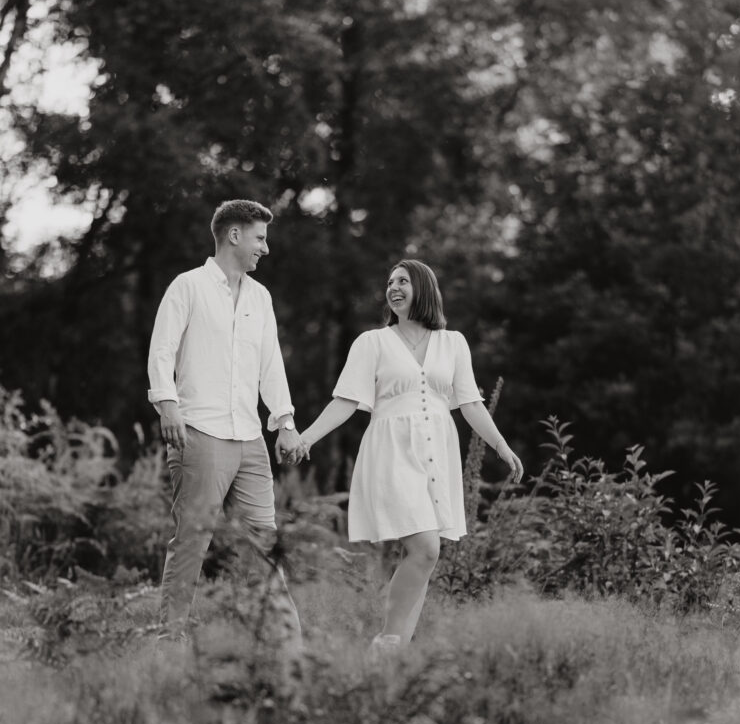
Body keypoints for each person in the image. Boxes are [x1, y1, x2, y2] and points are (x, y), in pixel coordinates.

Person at [296, 259, 524, 651]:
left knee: (425, 556)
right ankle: (385, 642)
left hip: (438, 451)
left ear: (423, 287)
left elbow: (470, 404)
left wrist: (501, 446)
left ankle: (394, 650)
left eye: (402, 281)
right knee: (425, 548)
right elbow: (346, 401)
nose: (393, 287)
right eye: (389, 282)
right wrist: (306, 437)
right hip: (391, 451)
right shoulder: (372, 343)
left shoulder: (454, 343)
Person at [147, 198, 306, 643]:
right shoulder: (188, 287)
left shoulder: (260, 297)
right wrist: (167, 403)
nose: (265, 249)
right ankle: (169, 642)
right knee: (192, 541)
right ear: (234, 235)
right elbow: (162, 350)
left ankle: (286, 648)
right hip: (199, 432)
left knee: (264, 541)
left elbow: (270, 364)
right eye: (260, 238)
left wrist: (285, 421)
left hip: (250, 438)